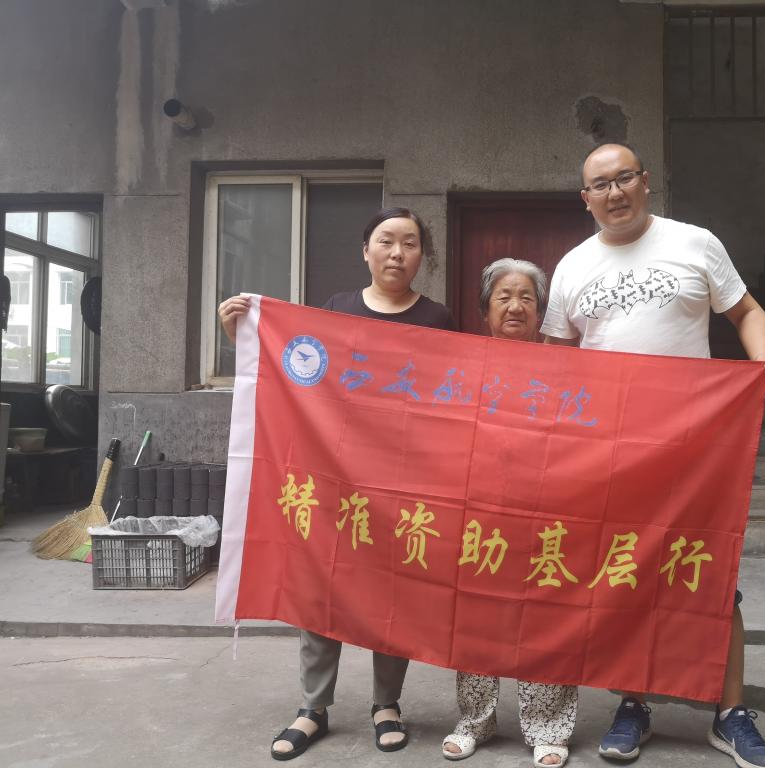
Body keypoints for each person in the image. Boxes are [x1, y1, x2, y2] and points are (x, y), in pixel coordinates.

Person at [540, 143, 765, 768]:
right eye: (601, 184)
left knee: (714, 576)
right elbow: (556, 366)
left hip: (695, 449)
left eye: (624, 178)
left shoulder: (694, 243)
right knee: (627, 575)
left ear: (644, 181)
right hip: (612, 452)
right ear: (586, 199)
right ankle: (633, 703)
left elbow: (746, 311)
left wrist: (761, 358)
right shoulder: (572, 267)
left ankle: (730, 714)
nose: (614, 192)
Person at [218, 207, 453, 761]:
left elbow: (452, 397)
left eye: (410, 243)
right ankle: (313, 707)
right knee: (321, 586)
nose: (397, 253)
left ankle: (386, 704)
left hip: (403, 479)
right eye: (386, 241)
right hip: (335, 474)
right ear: (365, 250)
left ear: (422, 255)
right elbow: (295, 375)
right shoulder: (335, 311)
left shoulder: (438, 319)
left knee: (393, 590)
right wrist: (244, 337)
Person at [441, 258, 577, 768]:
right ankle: (474, 720)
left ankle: (548, 726)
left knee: (546, 615)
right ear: (485, 309)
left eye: (526, 298)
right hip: (480, 511)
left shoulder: (568, 370)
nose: (516, 306)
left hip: (548, 511)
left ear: (542, 311)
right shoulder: (463, 366)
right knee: (477, 614)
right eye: (504, 297)